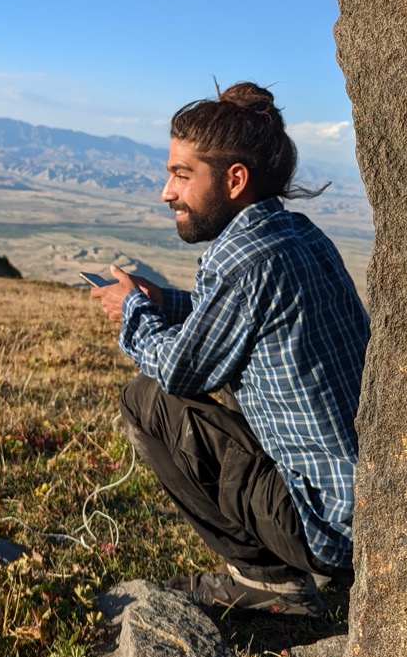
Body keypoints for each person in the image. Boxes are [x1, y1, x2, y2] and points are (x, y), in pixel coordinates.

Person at [90, 82, 369, 615]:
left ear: (234, 179)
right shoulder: (298, 234)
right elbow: (231, 318)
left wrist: (131, 312)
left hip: (326, 528)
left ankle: (271, 584)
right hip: (367, 507)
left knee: (147, 399)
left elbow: (178, 371)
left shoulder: (242, 257)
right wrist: (164, 302)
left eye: (181, 175)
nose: (166, 192)